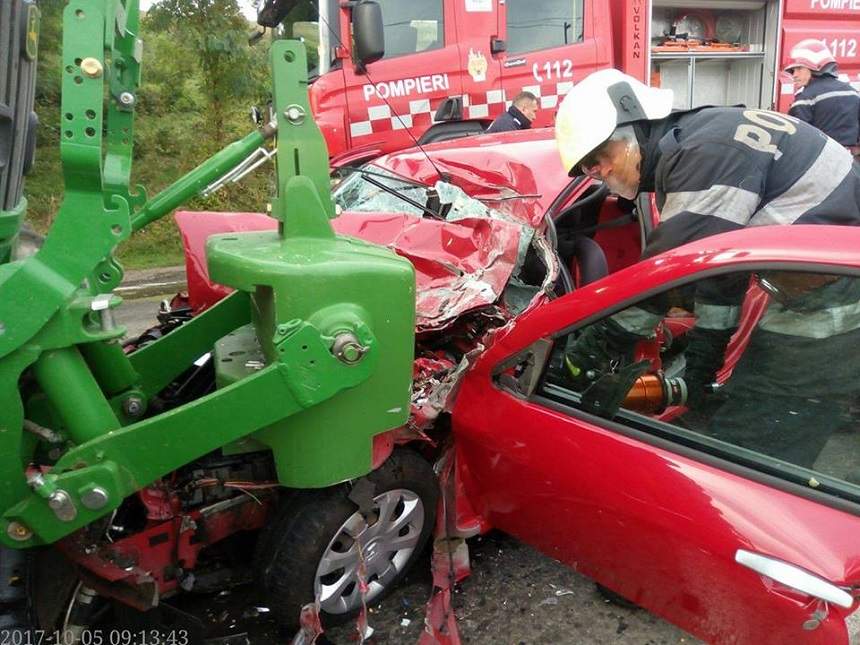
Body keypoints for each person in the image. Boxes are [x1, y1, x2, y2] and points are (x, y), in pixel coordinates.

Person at [554, 68, 860, 469]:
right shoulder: (701, 136)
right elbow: (719, 276)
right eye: (590, 170)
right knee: (754, 407)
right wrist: (701, 370)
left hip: (831, 300)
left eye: (601, 158)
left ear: (634, 126)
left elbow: (662, 281)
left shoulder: (703, 155)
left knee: (745, 454)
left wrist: (586, 356)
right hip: (820, 282)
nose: (602, 173)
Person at [785, 39, 860, 150]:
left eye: (799, 68)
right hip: (850, 162)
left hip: (820, 161)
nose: (794, 75)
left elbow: (795, 140)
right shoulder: (853, 93)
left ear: (815, 67)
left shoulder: (805, 99)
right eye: (792, 71)